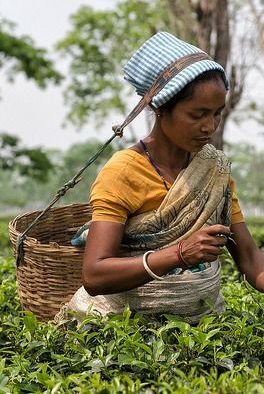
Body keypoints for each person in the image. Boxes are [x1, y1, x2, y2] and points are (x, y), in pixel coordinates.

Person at [59, 31, 264, 324]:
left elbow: (250, 258)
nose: (210, 127)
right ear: (158, 107)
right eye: (197, 115)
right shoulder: (123, 171)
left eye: (217, 114)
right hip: (123, 332)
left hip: (202, 332)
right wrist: (180, 253)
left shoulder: (213, 170)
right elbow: (95, 274)